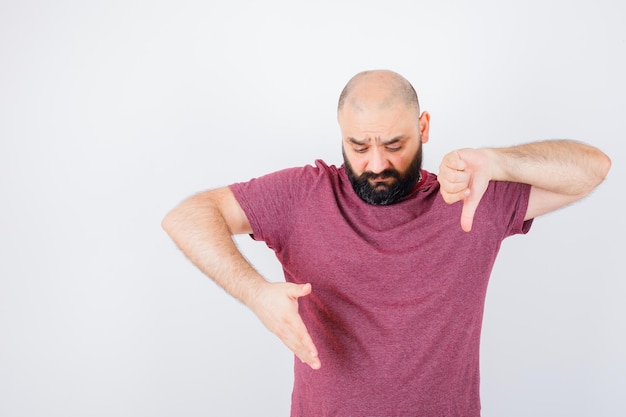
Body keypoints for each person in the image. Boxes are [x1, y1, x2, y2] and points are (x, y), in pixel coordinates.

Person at [162, 69, 611, 417]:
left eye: (394, 143)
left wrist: (499, 161)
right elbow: (188, 216)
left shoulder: (471, 196)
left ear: (424, 128)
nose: (376, 163)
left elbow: (593, 169)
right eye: (359, 146)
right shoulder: (303, 195)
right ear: (340, 134)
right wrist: (255, 293)